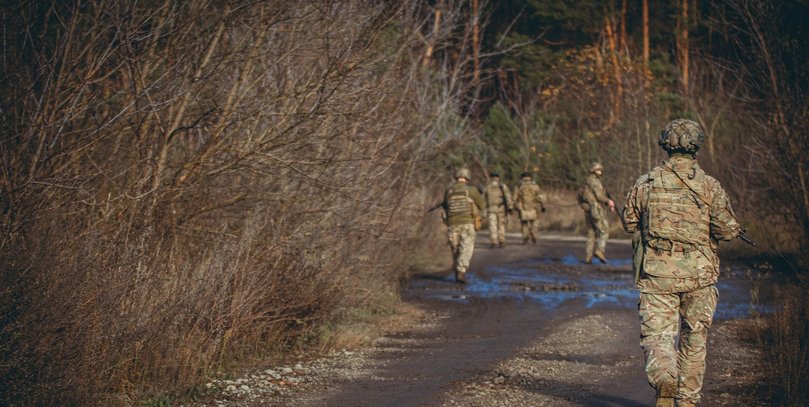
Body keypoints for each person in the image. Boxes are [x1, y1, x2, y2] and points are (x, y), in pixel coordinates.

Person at [621, 119, 740, 407]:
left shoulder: (646, 183)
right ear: (697, 146)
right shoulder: (710, 186)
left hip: (657, 274)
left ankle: (664, 375)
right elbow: (727, 230)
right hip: (700, 275)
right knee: (695, 338)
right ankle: (687, 401)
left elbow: (629, 223)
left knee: (659, 336)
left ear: (665, 143)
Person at [442, 167, 485, 283]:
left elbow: (445, 206)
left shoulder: (449, 191)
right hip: (467, 223)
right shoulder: (472, 190)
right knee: (466, 248)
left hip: (452, 224)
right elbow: (482, 205)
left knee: (455, 249)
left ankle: (457, 270)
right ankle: (461, 272)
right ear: (468, 178)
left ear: (456, 177)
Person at [578, 162, 615, 263]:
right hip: (596, 209)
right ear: (594, 171)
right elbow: (599, 196)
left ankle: (588, 257)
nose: (600, 172)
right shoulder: (595, 182)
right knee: (605, 230)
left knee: (591, 233)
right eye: (599, 170)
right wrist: (609, 202)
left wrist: (582, 205)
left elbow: (579, 196)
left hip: (588, 209)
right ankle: (600, 250)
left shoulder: (585, 182)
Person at [514, 172, 545, 244]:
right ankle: (533, 234)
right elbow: (541, 196)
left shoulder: (519, 187)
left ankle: (525, 237)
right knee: (534, 223)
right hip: (533, 207)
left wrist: (513, 206)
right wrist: (543, 206)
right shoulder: (535, 186)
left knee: (524, 224)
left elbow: (515, 197)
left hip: (523, 208)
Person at [484, 172, 513, 248]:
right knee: (501, 225)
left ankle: (494, 241)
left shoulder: (488, 187)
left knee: (493, 225)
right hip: (500, 209)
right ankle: (501, 241)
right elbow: (508, 197)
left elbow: (483, 199)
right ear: (498, 178)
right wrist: (510, 207)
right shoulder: (502, 186)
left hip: (493, 208)